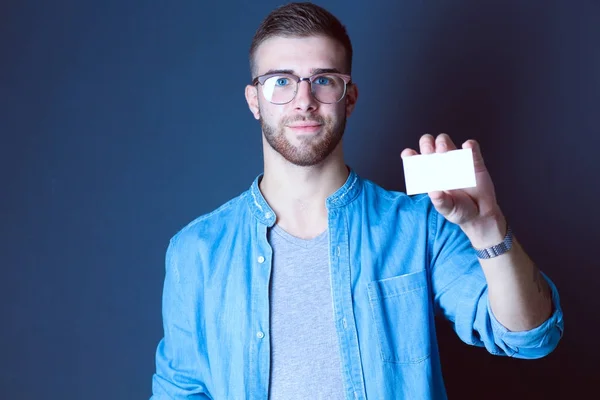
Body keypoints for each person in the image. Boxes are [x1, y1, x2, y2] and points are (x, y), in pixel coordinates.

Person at [150, 2, 564, 399]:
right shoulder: (196, 251)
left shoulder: (419, 225)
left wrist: (486, 225)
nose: (303, 99)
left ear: (349, 97)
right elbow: (180, 391)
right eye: (281, 81)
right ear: (254, 100)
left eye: (324, 79)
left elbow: (529, 337)